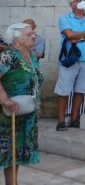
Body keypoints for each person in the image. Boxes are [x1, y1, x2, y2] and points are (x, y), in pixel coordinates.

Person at [0, 22, 44, 184]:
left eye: (33, 33)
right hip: (8, 113)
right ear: (16, 40)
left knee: (16, 153)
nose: (34, 36)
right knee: (7, 152)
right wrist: (5, 99)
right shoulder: (9, 55)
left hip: (25, 112)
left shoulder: (31, 55)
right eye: (29, 34)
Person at [55, 0, 85, 131]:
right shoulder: (64, 18)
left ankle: (75, 119)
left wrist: (80, 38)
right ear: (72, 4)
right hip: (70, 59)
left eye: (84, 0)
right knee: (63, 90)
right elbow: (69, 35)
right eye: (79, 0)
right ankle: (61, 120)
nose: (83, 2)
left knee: (80, 90)